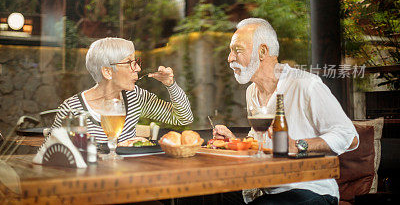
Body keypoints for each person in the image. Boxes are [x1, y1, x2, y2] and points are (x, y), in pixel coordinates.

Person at [213, 18, 359, 204]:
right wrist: (234, 143)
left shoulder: (305, 84)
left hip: (311, 190)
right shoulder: (252, 91)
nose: (230, 58)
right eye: (230, 51)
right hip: (267, 190)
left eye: (237, 50)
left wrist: (299, 145)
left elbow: (349, 135)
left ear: (262, 51)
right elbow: (259, 140)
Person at [48, 37, 193, 143]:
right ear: (107, 72)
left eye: (136, 62)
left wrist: (170, 85)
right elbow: (52, 155)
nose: (138, 68)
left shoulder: (134, 96)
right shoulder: (72, 109)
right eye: (130, 62)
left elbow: (183, 117)